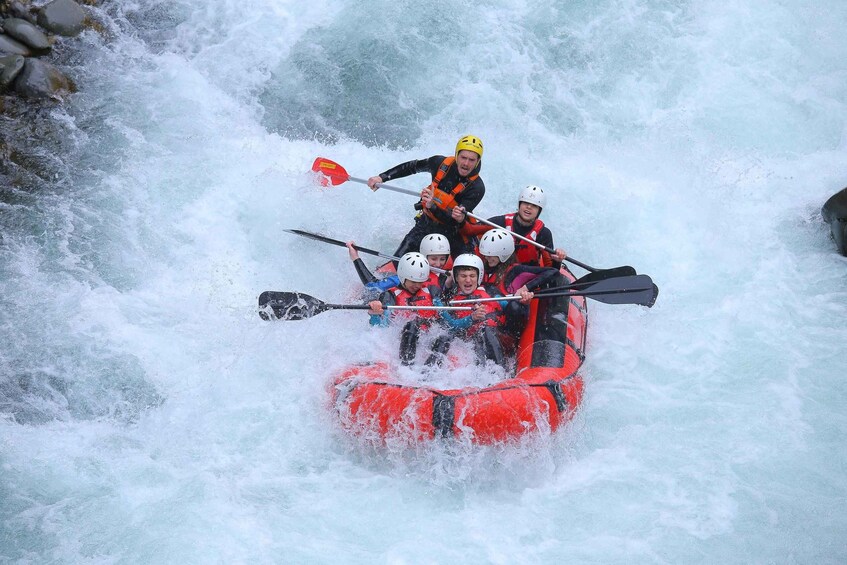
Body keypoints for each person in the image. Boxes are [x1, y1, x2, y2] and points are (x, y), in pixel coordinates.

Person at [367, 135, 485, 259]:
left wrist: (432, 206)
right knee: (398, 260)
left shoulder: (477, 188)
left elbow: (453, 222)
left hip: (454, 232)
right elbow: (412, 167)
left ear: (477, 161)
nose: (466, 163)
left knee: (465, 269)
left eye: (471, 160)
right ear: (456, 155)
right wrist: (382, 177)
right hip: (427, 222)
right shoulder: (439, 163)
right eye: (463, 157)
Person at [426, 254, 525, 367]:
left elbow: (512, 309)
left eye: (472, 276)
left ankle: (500, 373)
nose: (468, 280)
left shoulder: (490, 292)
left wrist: (524, 301)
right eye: (463, 276)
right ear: (457, 278)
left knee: (486, 330)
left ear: (479, 277)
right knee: (447, 337)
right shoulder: (452, 300)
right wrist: (471, 318)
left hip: (501, 338)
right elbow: (451, 326)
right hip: (473, 342)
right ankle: (427, 373)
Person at [477, 228, 560, 338]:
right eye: (486, 254)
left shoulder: (516, 271)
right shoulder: (480, 268)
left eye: (491, 255)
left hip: (508, 326)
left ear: (504, 253)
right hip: (487, 317)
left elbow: (553, 272)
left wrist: (526, 287)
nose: (487, 258)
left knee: (514, 306)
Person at [461, 184, 567, 267]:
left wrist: (557, 260)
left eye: (534, 206)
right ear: (519, 205)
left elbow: (551, 269)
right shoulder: (500, 222)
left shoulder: (544, 234)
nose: (529, 207)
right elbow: (470, 230)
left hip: (525, 277)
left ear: (539, 211)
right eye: (525, 203)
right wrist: (461, 220)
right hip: (498, 270)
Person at [367, 252, 441, 366]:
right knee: (412, 325)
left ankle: (430, 371)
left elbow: (444, 314)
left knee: (444, 337)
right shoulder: (390, 295)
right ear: (402, 276)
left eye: (420, 282)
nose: (417, 285)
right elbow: (382, 327)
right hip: (403, 338)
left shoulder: (432, 290)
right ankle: (407, 368)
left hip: (428, 335)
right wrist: (375, 314)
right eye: (413, 281)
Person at [346, 233, 453, 297]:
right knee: (365, 291)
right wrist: (355, 257)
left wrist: (450, 282)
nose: (438, 264)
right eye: (434, 259)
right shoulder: (408, 275)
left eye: (442, 259)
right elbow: (373, 287)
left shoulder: (446, 278)